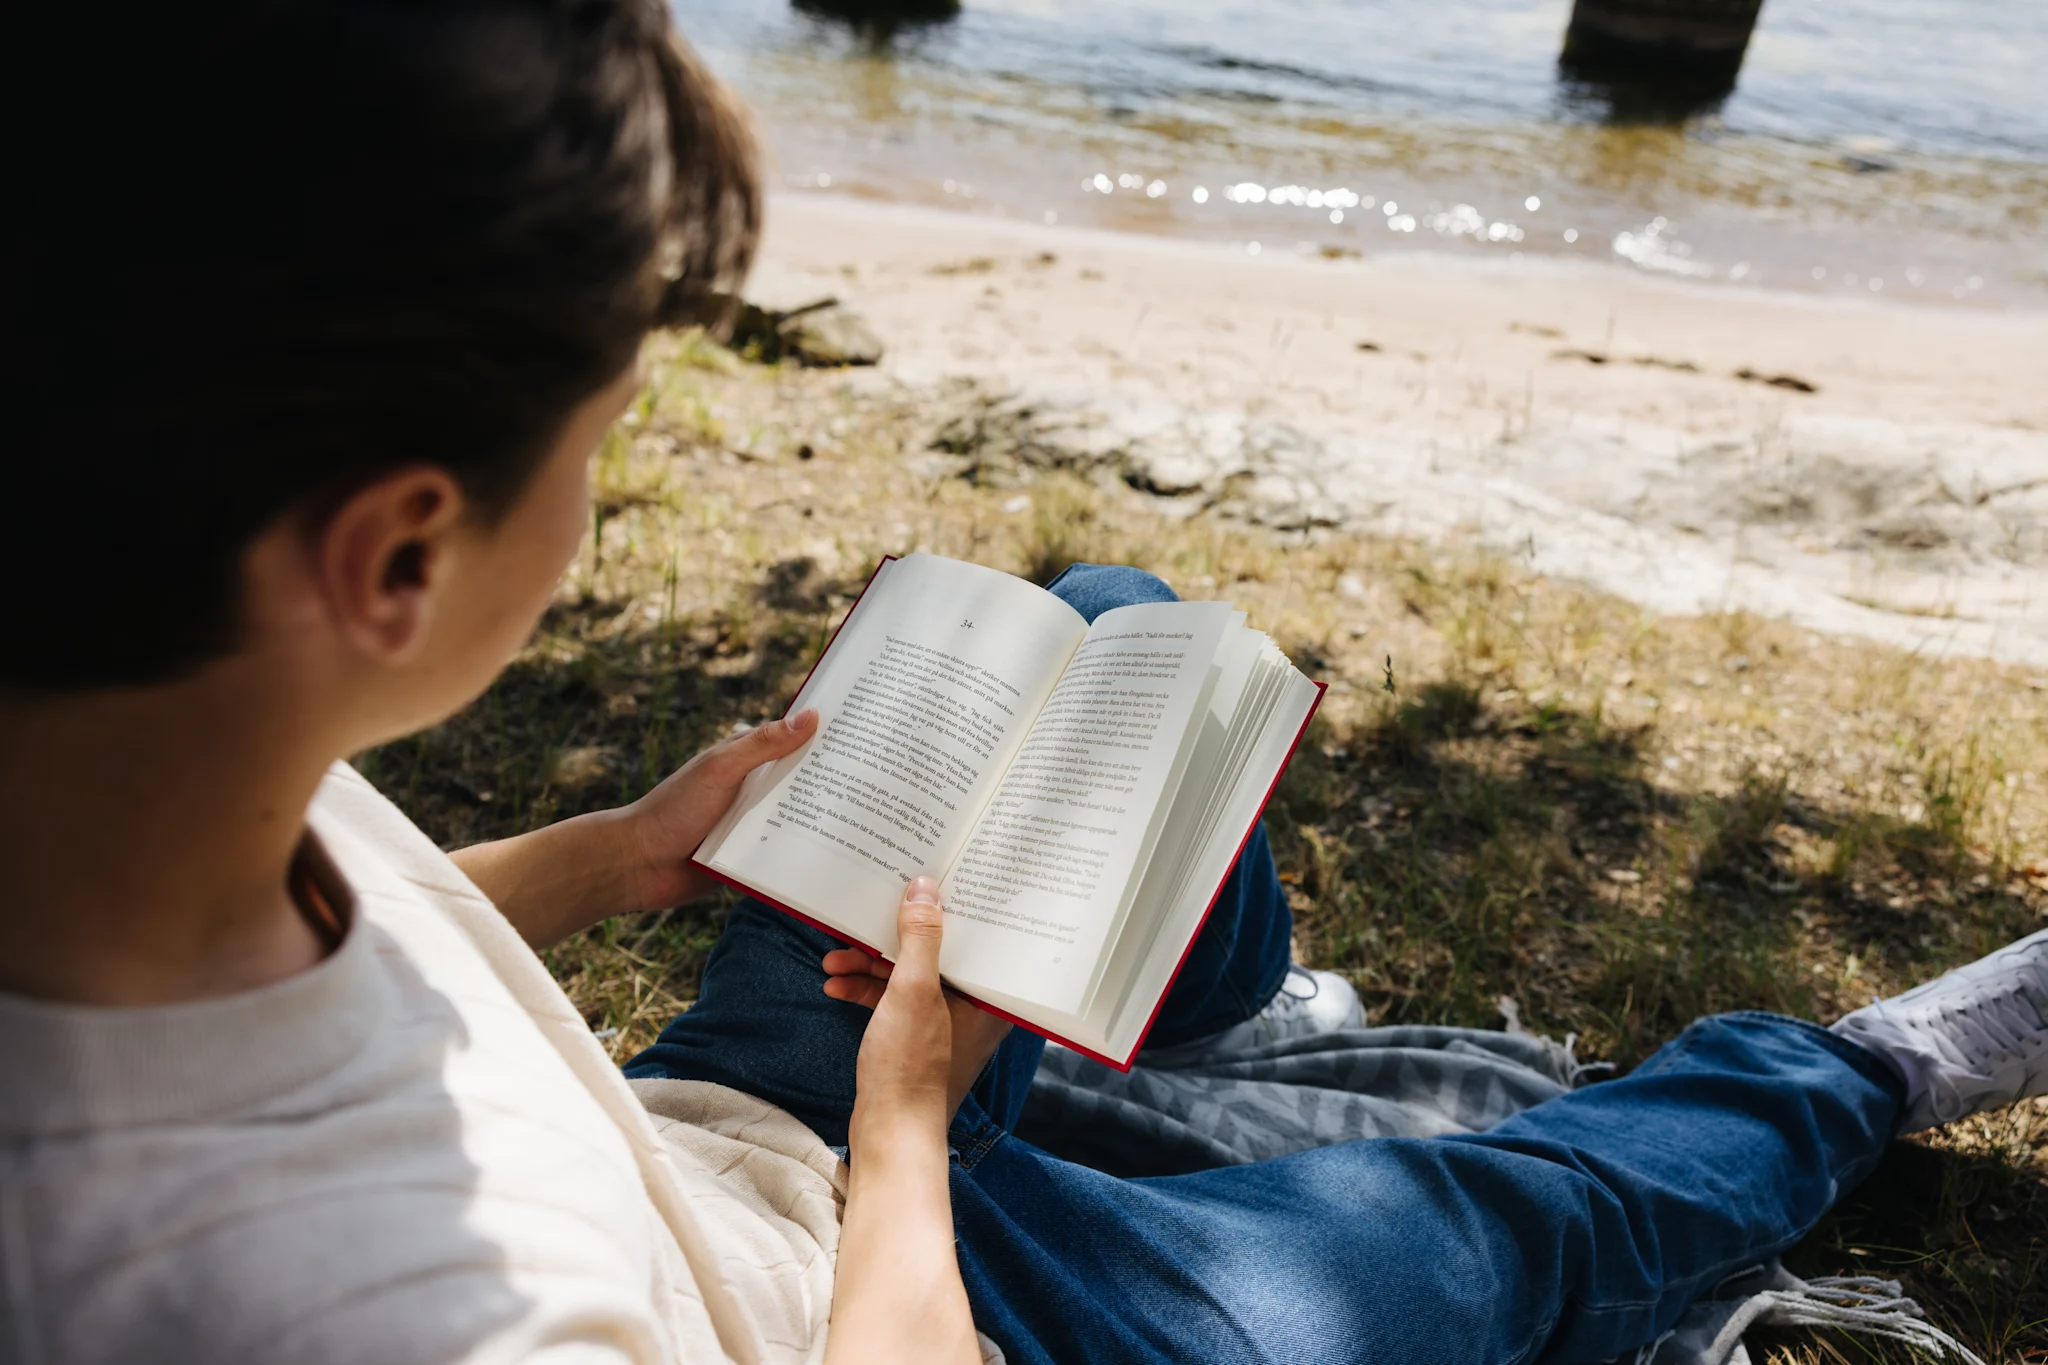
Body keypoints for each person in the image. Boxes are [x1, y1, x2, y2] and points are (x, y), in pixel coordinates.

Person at [2, 3, 2043, 1362]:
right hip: (887, 1284)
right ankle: (1858, 1072)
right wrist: (907, 1130)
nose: (596, 498)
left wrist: (616, 859)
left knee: (1099, 609)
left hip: (726, 1132)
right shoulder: (405, 1310)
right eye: (597, 437)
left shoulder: (121, 755)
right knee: (1524, 1226)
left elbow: (354, 925)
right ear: (399, 554)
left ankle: (1195, 1007)